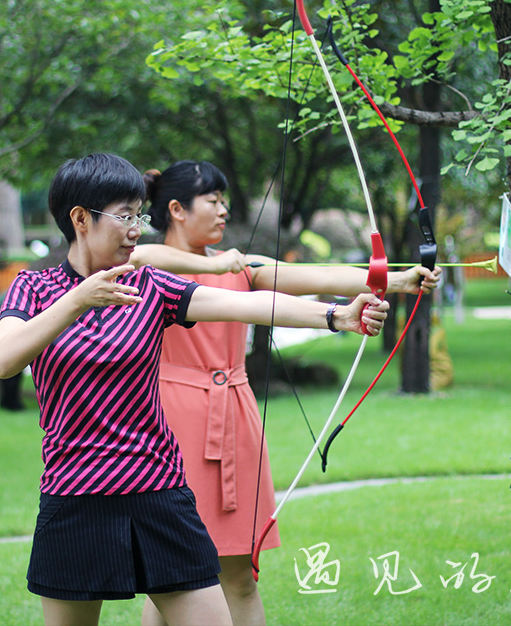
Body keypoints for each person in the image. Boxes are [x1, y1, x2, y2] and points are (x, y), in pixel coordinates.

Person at [0, 153, 390, 626]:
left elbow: (249, 303)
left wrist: (335, 316)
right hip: (75, 496)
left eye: (140, 214)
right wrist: (79, 299)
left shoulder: (152, 287)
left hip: (157, 489)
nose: (138, 227)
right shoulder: (33, 288)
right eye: (125, 215)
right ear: (80, 219)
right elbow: (4, 360)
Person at [134, 160, 440, 626]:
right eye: (212, 201)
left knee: (239, 576)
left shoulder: (242, 266)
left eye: (224, 201)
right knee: (173, 580)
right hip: (172, 423)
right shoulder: (148, 266)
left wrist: (395, 279)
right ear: (176, 209)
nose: (223, 211)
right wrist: (212, 263)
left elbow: (321, 277)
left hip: (234, 416)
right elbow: (141, 259)